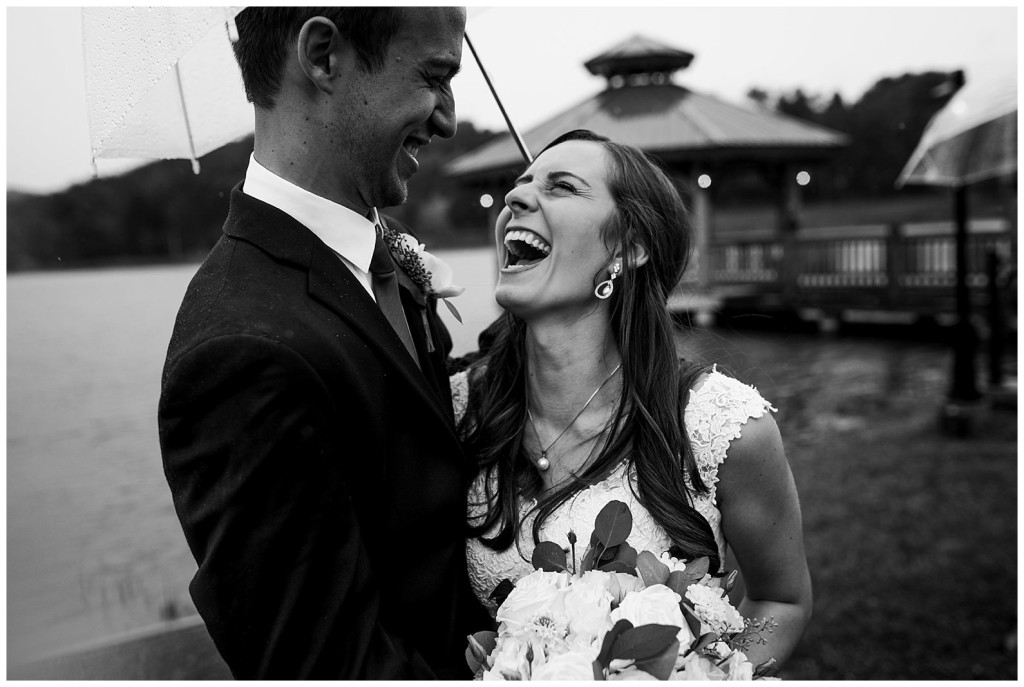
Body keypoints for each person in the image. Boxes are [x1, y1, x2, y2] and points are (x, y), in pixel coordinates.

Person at [158, 7, 488, 679]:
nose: (449, 117)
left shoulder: (382, 263)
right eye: (435, 75)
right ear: (323, 55)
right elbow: (325, 663)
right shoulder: (241, 351)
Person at [453, 129, 812, 671]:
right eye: (521, 184)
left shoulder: (722, 426)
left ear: (629, 247)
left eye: (562, 187)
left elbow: (780, 602)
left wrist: (709, 674)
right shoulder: (458, 409)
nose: (514, 198)